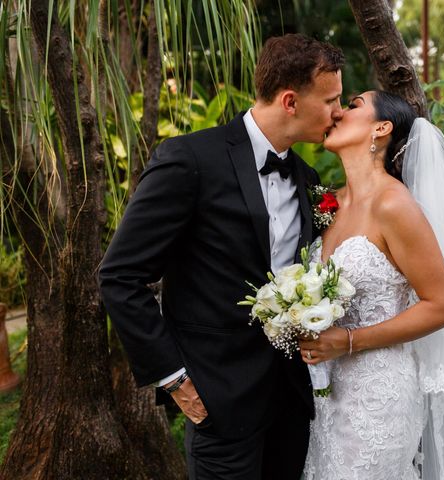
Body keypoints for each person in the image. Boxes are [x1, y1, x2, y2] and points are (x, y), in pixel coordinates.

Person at [98, 34, 344, 480]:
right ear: (290, 101)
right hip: (217, 402)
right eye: (330, 100)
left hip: (290, 403)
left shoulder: (308, 179)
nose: (338, 112)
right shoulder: (190, 159)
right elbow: (120, 276)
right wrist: (174, 379)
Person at [300, 90, 444, 479]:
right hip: (324, 395)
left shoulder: (395, 205)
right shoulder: (327, 204)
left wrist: (350, 340)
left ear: (382, 127)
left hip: (378, 398)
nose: (338, 112)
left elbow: (442, 305)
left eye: (353, 104)